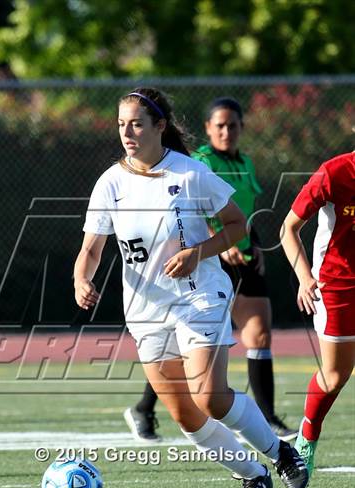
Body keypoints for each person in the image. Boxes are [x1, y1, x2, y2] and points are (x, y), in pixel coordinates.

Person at [74, 87, 308, 488]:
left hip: (199, 295)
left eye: (137, 124)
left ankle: (280, 453)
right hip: (146, 308)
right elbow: (91, 249)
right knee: (184, 415)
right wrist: (81, 280)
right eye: (122, 124)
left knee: (209, 396)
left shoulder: (189, 173)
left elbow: (236, 226)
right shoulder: (110, 182)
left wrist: (196, 252)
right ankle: (251, 474)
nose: (127, 132)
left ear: (159, 126)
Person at [125, 97, 297, 442]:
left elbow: (242, 212)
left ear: (241, 128)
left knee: (260, 334)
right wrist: (224, 243)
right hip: (208, 260)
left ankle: (267, 417)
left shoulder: (244, 162)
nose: (226, 131)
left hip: (244, 257)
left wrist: (254, 244)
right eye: (219, 125)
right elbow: (189, 211)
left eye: (233, 125)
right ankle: (145, 407)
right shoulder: (198, 162)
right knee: (181, 346)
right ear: (207, 128)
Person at [280, 152, 355, 477]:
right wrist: (305, 277)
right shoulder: (334, 173)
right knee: (336, 375)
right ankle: (308, 434)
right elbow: (288, 228)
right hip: (337, 284)